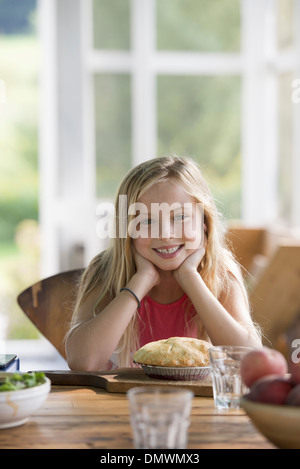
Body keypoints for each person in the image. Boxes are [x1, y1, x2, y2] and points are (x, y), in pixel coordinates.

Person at [65, 156, 261, 371]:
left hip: (198, 404)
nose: (166, 235)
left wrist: (191, 279)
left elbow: (250, 360)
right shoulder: (104, 272)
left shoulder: (220, 273)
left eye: (180, 217)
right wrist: (140, 282)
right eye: (147, 221)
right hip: (123, 403)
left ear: (204, 222)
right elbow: (83, 363)